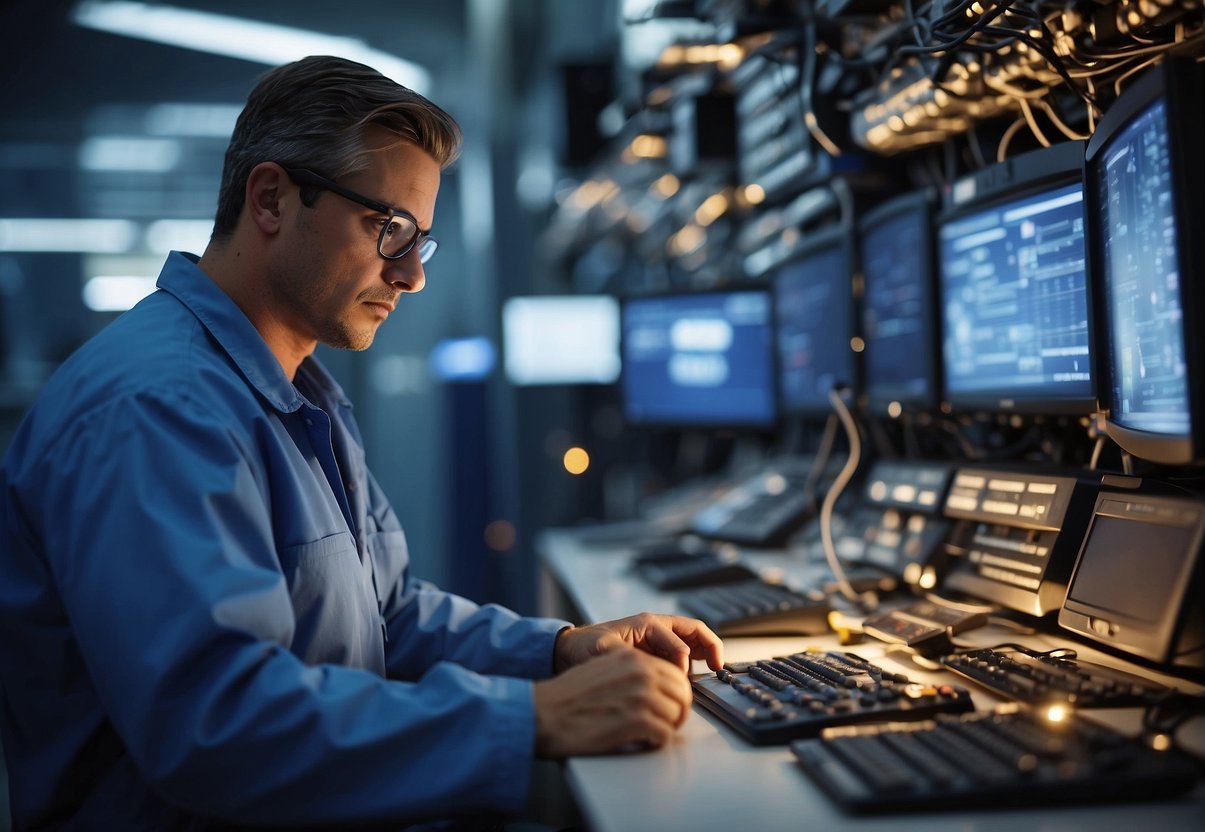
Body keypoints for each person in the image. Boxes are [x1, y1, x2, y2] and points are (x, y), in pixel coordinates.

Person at [0, 55, 723, 830]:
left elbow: (388, 619)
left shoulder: (295, 388)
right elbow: (218, 727)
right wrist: (532, 717)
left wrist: (559, 652)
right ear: (272, 197)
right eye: (390, 229)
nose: (411, 274)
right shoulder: (157, 410)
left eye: (420, 240)